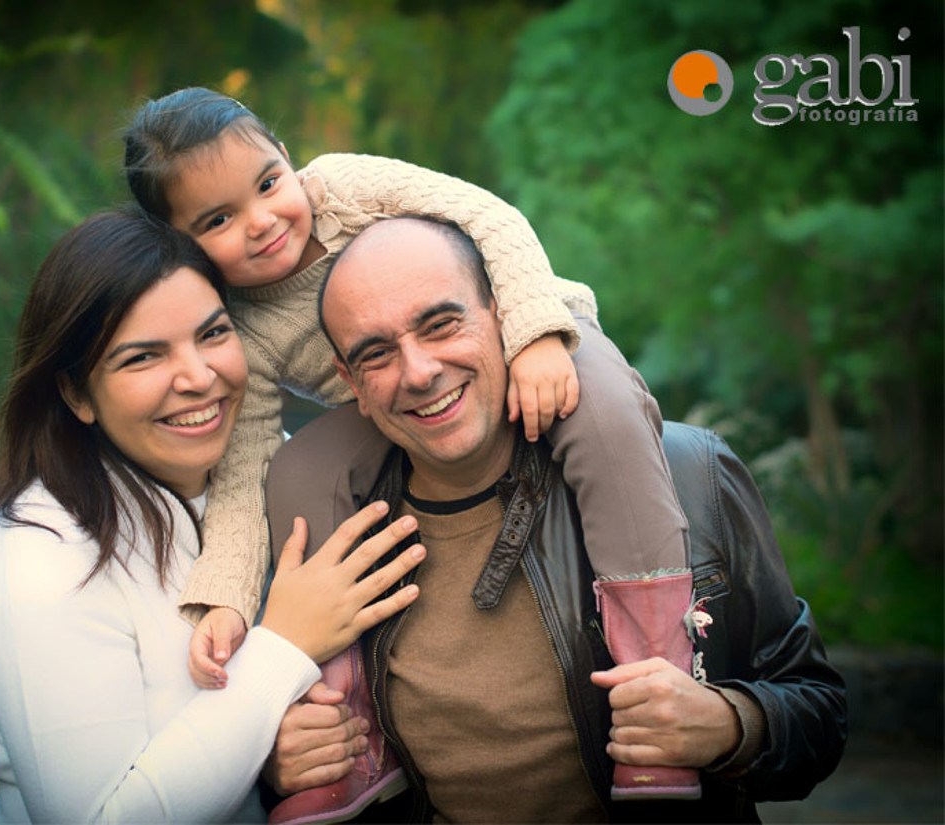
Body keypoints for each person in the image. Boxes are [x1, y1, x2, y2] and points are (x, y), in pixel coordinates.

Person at [123, 87, 697, 816]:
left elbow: (489, 217)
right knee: (301, 470)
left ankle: (658, 679)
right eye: (218, 220)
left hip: (526, 325)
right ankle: (348, 730)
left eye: (267, 183)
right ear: (182, 242)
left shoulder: (345, 187)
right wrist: (227, 599)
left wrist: (535, 336)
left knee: (604, 410)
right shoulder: (247, 329)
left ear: (287, 160)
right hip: (394, 398)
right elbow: (243, 472)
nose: (261, 221)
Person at [263, 216, 848, 823]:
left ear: (503, 316)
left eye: (440, 325)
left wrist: (729, 724)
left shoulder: (689, 473)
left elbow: (821, 715)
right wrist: (276, 763)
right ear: (350, 382)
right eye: (377, 354)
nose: (419, 371)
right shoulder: (334, 546)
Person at [0, 207, 426, 823]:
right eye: (143, 358)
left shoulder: (281, 469)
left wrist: (270, 753)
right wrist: (284, 645)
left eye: (213, 334)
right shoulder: (41, 558)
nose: (200, 377)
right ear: (76, 393)